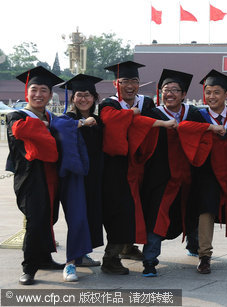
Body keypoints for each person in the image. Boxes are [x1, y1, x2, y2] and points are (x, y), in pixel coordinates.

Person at [98, 61, 176, 275]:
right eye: (125, 81)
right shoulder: (109, 104)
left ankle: (127, 247)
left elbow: (156, 121)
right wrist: (133, 115)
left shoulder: (146, 102)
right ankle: (110, 258)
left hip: (141, 164)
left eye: (134, 81)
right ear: (116, 83)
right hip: (117, 167)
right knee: (120, 211)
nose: (130, 86)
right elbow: (113, 123)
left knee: (139, 208)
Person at [178, 69, 227, 274]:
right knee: (206, 210)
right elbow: (184, 128)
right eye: (208, 92)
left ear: (226, 94)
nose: (211, 97)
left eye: (216, 92)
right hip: (206, 173)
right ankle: (204, 255)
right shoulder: (197, 114)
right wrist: (209, 129)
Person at [7, 66, 64, 285]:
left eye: (43, 90)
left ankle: (45, 258)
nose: (38, 94)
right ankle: (29, 267)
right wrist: (44, 125)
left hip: (51, 175)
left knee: (49, 218)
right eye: (34, 89)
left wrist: (49, 124)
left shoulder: (50, 116)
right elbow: (21, 131)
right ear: (26, 93)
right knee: (35, 220)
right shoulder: (17, 115)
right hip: (30, 176)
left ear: (50, 95)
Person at [139, 69, 195, 277]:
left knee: (192, 212)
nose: (169, 94)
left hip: (188, 176)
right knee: (157, 217)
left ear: (183, 94)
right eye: (165, 90)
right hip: (159, 178)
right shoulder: (153, 115)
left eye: (174, 90)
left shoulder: (193, 113)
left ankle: (196, 247)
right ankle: (150, 260)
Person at [56, 74, 105, 282]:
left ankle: (82, 254)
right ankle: (70, 263)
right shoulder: (68, 119)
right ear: (73, 98)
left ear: (94, 98)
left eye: (87, 95)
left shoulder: (101, 121)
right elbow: (57, 128)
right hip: (74, 178)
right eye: (79, 95)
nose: (83, 99)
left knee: (91, 217)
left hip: (95, 177)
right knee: (77, 218)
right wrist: (83, 123)